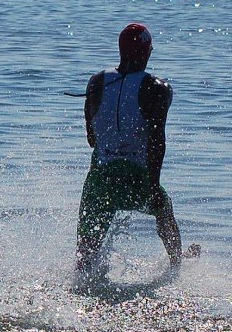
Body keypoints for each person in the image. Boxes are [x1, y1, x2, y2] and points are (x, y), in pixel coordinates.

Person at [75, 23, 184, 277]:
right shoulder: (158, 88)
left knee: (84, 259)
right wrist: (154, 186)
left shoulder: (96, 82)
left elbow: (91, 138)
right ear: (146, 52)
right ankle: (177, 265)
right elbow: (157, 141)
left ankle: (82, 283)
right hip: (136, 176)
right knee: (164, 211)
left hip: (100, 179)